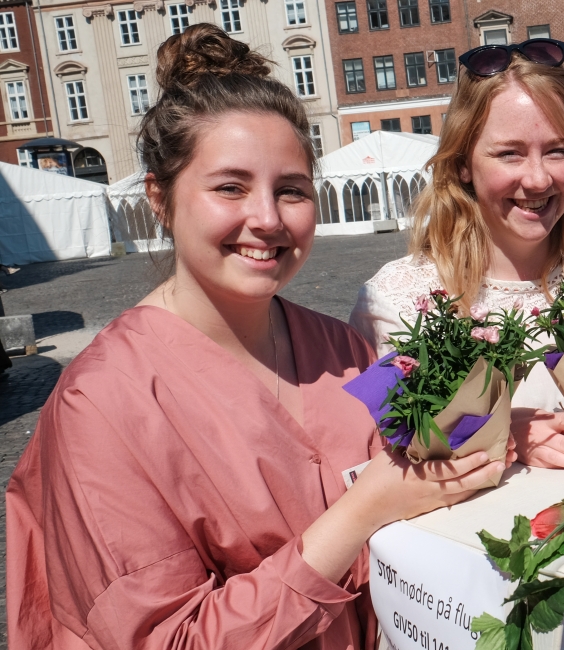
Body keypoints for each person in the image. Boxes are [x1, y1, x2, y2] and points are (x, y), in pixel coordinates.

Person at [4, 25, 504, 649]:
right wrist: (360, 514)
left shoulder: (345, 350)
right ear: (160, 198)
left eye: (290, 190)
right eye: (230, 187)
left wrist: (514, 426)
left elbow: (420, 457)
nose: (267, 219)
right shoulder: (102, 405)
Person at [350, 39, 564, 471]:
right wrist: (506, 433)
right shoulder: (398, 299)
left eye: (557, 150)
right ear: (464, 162)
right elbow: (394, 460)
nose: (538, 179)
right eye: (510, 153)